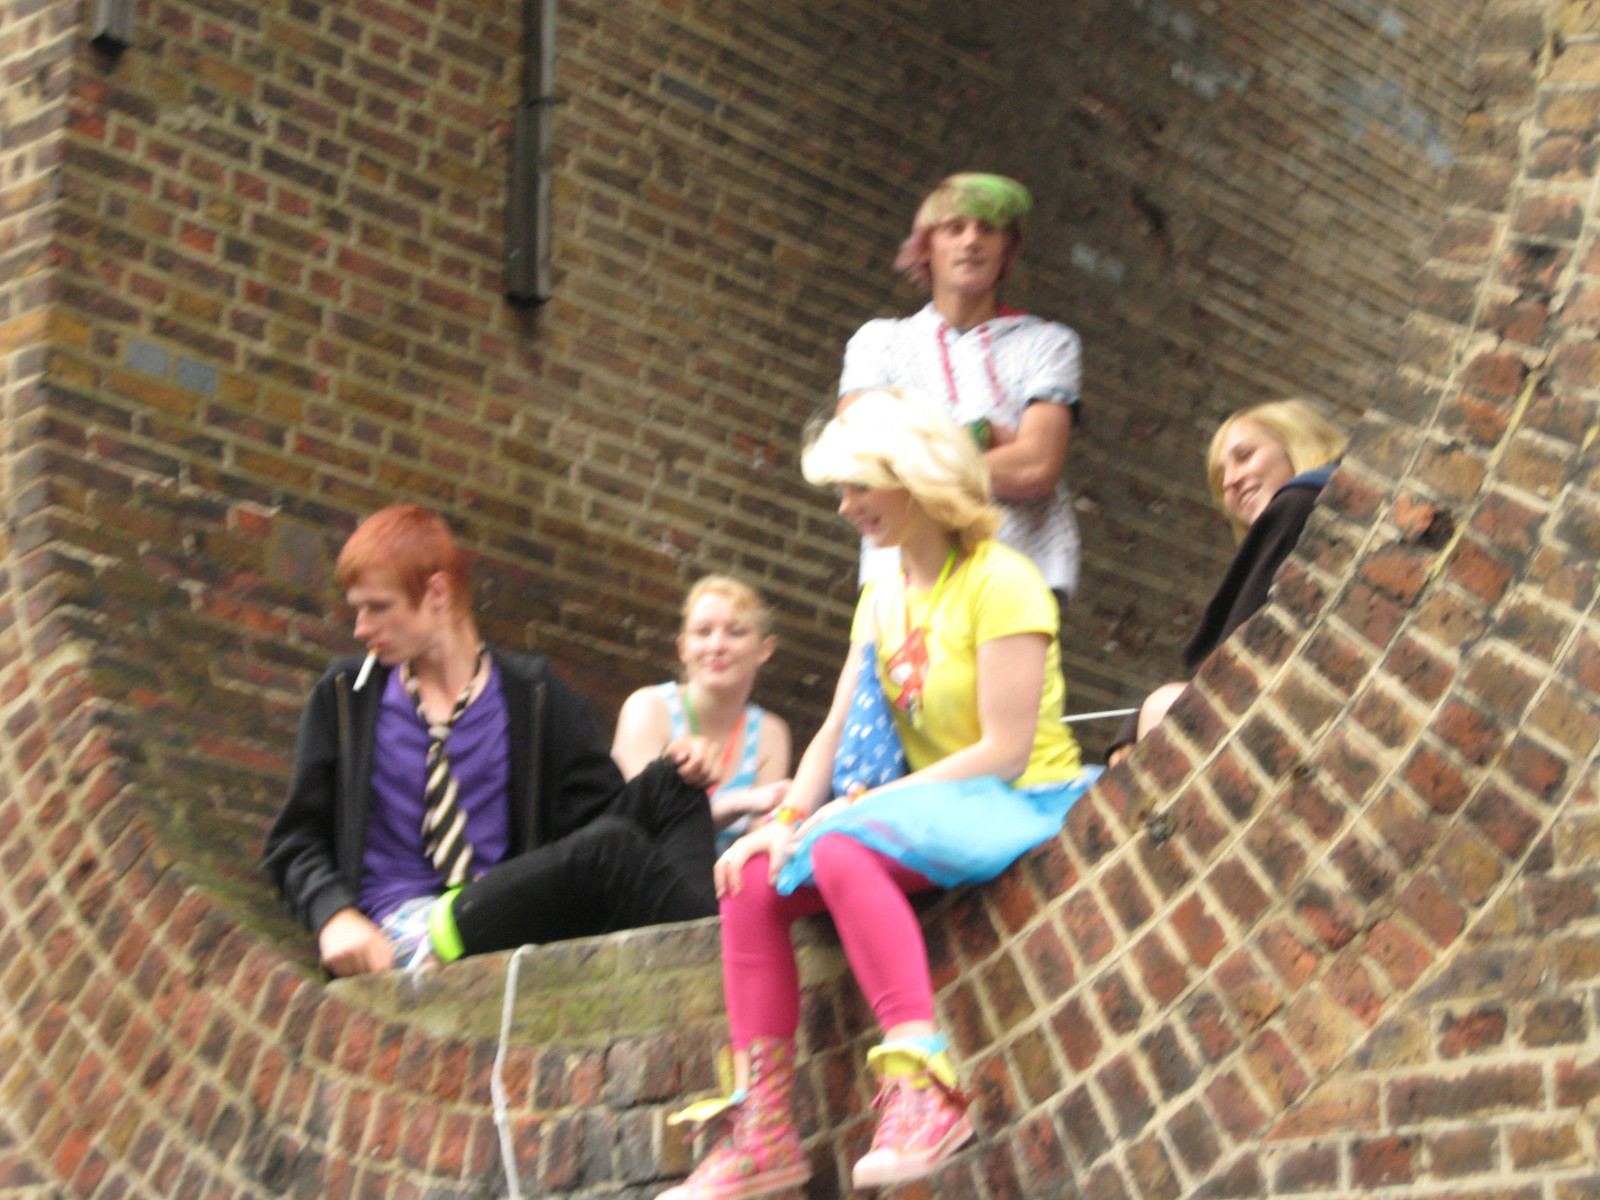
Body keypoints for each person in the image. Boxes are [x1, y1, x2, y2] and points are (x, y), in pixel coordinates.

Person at [660, 392, 1094, 1199]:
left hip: (1023, 796)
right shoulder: (881, 594)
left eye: (859, 485)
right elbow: (833, 728)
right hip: (927, 808)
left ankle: (923, 1089)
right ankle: (764, 1130)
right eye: (841, 489)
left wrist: (856, 811)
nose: (845, 506)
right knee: (748, 878)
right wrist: (783, 822)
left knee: (845, 842)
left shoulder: (1004, 580)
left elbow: (1004, 752)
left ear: (915, 478)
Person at [262, 504, 719, 977]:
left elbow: (601, 821)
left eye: (377, 607)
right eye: (357, 609)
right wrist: (334, 916)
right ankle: (720, 965)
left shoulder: (535, 695)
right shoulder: (346, 696)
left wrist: (684, 759)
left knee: (675, 785)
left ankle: (712, 960)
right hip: (403, 933)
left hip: (508, 910)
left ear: (437, 593)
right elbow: (294, 840)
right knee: (608, 847)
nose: (361, 628)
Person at [839, 172, 1082, 610]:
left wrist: (909, 462)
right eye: (954, 228)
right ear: (926, 246)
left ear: (1007, 250)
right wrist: (980, 437)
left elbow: (1036, 467)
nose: (971, 241)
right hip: (901, 578)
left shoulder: (1048, 344)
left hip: (1013, 575)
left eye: (987, 229)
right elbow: (859, 458)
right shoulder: (878, 342)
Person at [1107, 399, 1348, 764]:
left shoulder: (1298, 503)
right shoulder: (1333, 506)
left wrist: (1137, 722)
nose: (1231, 482)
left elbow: (1219, 665)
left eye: (1245, 456)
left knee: (1164, 706)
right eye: (1221, 475)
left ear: (1295, 443)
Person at [612, 576, 792, 853]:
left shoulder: (770, 733)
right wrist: (737, 804)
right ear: (683, 648)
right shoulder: (648, 707)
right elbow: (638, 822)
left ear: (764, 649)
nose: (717, 645)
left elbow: (759, 844)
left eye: (736, 632)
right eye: (703, 632)